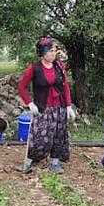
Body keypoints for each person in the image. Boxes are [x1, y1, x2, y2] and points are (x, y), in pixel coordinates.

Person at [16, 36, 76, 173]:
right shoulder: (34, 68)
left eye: (55, 50)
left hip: (59, 107)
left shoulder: (59, 66)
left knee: (58, 135)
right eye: (51, 50)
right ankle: (29, 161)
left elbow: (65, 86)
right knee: (38, 136)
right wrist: (30, 103)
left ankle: (55, 163)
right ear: (43, 52)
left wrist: (68, 106)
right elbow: (21, 87)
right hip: (43, 108)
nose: (54, 53)